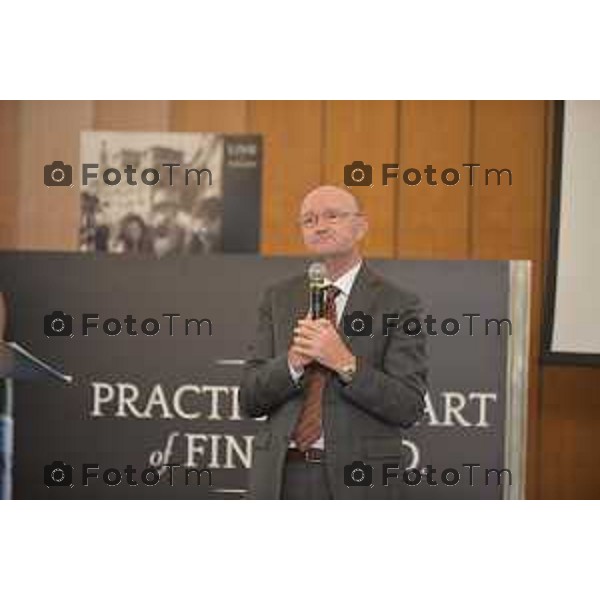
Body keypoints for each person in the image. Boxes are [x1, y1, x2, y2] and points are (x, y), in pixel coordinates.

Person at [239, 185, 429, 499]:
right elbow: (249, 399)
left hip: (358, 481)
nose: (320, 226)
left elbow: (408, 406)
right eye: (309, 220)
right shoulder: (278, 298)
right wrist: (292, 363)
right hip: (280, 477)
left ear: (360, 227)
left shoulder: (399, 304)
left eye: (332, 216)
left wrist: (344, 363)